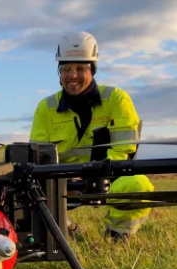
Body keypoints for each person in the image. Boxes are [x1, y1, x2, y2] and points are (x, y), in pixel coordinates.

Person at [29, 31, 154, 240]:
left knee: (138, 186)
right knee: (24, 194)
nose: (73, 75)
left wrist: (92, 174)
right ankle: (69, 229)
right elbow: (38, 156)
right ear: (59, 72)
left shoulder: (116, 99)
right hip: (61, 182)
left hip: (107, 178)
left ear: (92, 70)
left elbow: (124, 149)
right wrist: (64, 176)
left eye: (80, 68)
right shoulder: (46, 107)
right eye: (66, 69)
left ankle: (117, 236)